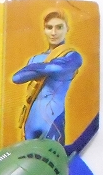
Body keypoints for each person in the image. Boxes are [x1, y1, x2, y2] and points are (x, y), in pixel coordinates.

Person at [12, 9, 83, 144]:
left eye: (59, 27)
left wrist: (37, 69)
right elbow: (17, 78)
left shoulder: (72, 56)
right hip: (29, 122)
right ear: (44, 30)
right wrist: (48, 67)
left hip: (53, 123)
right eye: (49, 28)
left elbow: (58, 68)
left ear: (67, 29)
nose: (54, 32)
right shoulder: (35, 58)